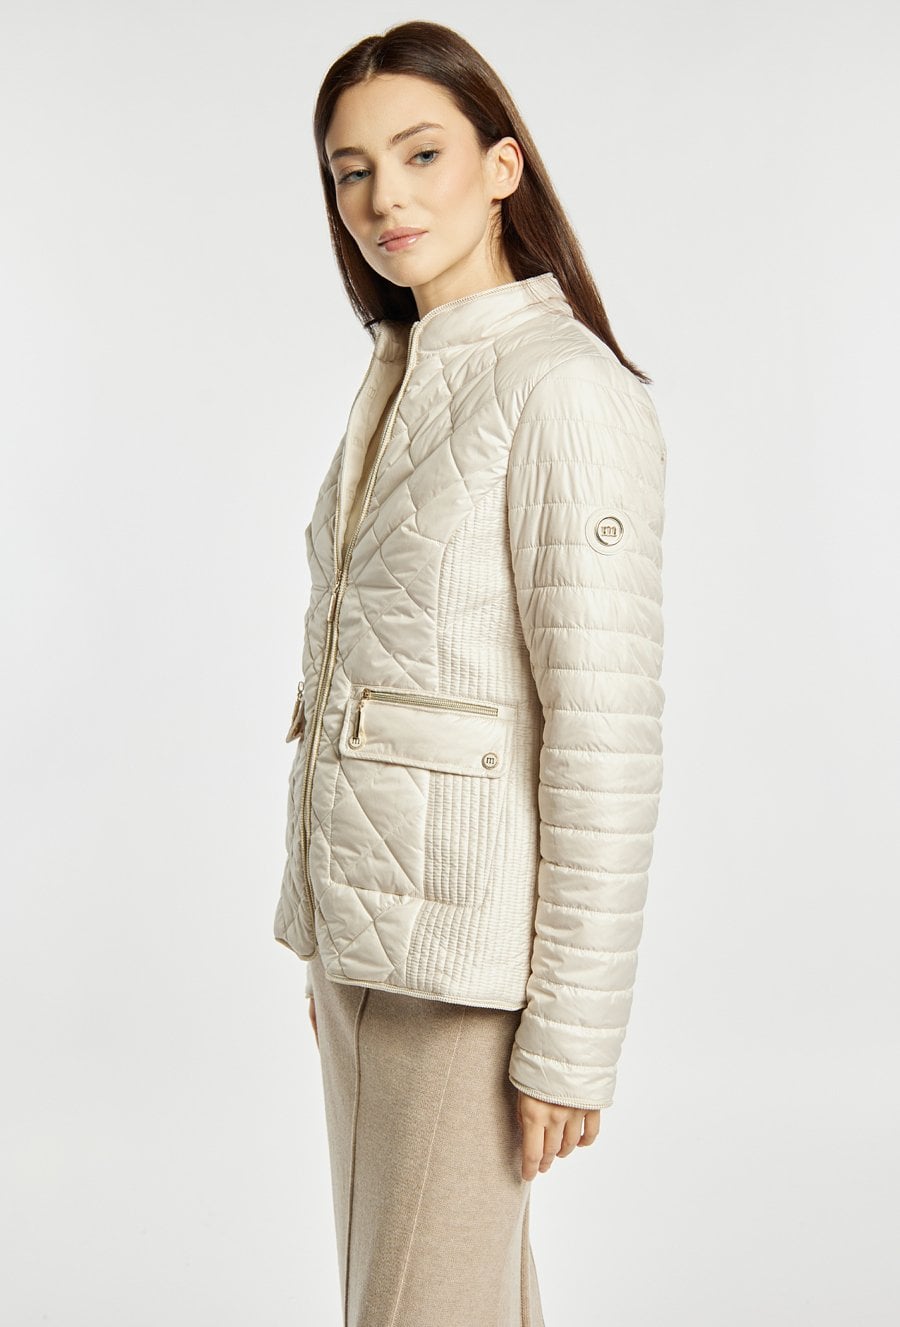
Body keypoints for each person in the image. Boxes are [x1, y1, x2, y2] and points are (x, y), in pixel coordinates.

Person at [272, 19, 667, 1327]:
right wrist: (337, 947)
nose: (384, 197)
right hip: (369, 954)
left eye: (421, 153)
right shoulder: (404, 370)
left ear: (503, 167)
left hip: (461, 976)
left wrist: (571, 1039)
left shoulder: (561, 390)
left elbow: (603, 735)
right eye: (351, 171)